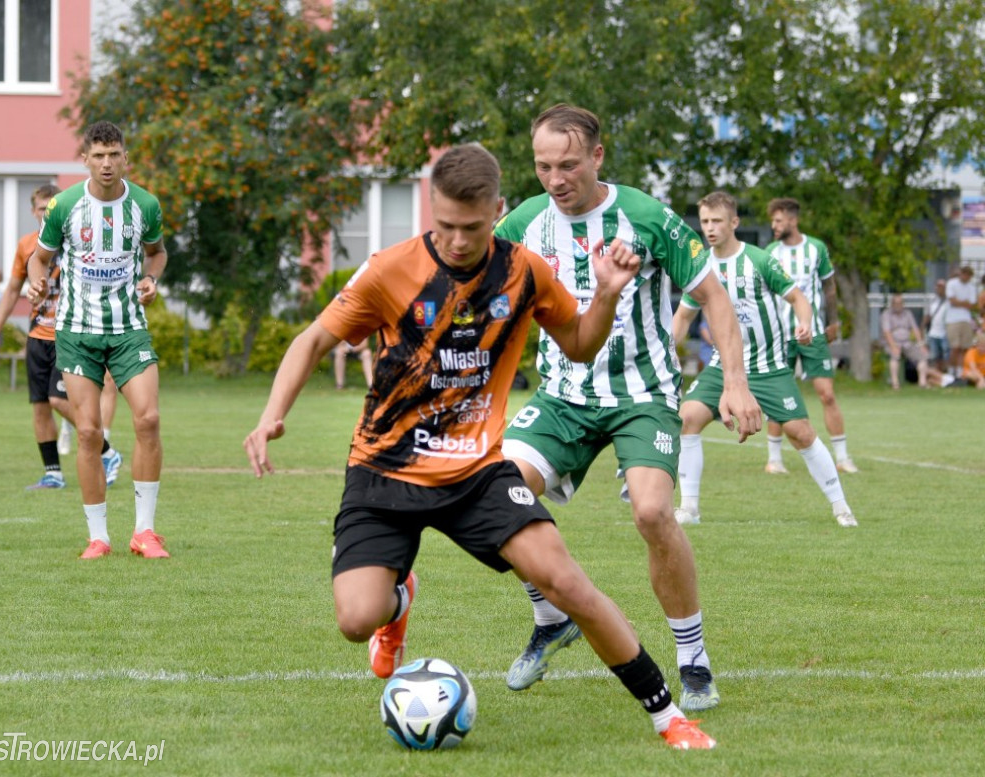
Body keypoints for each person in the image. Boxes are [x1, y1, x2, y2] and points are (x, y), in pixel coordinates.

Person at [243, 143, 717, 750]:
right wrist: (270, 417)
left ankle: (667, 716)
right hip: (385, 472)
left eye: (471, 227)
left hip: (475, 475)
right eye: (444, 226)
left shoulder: (522, 270)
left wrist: (606, 295)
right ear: (430, 211)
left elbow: (577, 345)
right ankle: (398, 599)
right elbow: (312, 340)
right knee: (355, 620)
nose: (458, 241)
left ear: (496, 210)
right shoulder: (391, 270)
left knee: (567, 582)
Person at [494, 104, 761, 711]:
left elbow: (713, 298)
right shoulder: (524, 224)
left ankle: (692, 661)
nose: (555, 179)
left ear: (597, 156)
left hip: (642, 396)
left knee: (651, 514)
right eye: (542, 166)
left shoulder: (643, 216)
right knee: (497, 497)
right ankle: (550, 619)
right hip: (562, 396)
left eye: (567, 165)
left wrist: (735, 383)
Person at [673, 191, 857, 529]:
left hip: (769, 367)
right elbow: (684, 318)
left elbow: (798, 297)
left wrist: (804, 321)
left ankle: (841, 506)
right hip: (723, 368)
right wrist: (667, 352)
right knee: (687, 419)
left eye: (717, 221)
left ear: (734, 223)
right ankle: (690, 508)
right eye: (705, 222)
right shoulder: (701, 267)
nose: (709, 228)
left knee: (800, 432)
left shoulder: (759, 260)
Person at [26, 121, 167, 560]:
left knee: (147, 420)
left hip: (128, 330)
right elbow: (40, 258)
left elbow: (156, 252)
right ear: (85, 159)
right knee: (87, 432)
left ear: (126, 158)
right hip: (77, 332)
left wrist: (150, 278)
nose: (107, 163)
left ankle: (144, 533)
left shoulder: (145, 204)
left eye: (114, 154)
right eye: (99, 155)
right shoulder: (65, 205)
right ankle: (98, 537)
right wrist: (36, 282)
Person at [0, 184, 123, 490]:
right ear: (33, 212)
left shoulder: (78, 241)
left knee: (59, 399)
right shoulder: (27, 246)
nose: (46, 214)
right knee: (40, 405)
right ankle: (53, 473)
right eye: (41, 209)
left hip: (69, 335)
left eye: (51, 208)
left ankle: (107, 452)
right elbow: (13, 290)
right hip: (37, 335)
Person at [762, 198, 857, 475]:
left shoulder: (816, 248)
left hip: (813, 333)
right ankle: (774, 459)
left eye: (778, 221)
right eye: (773, 221)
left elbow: (829, 287)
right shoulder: (770, 252)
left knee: (826, 394)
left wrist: (833, 321)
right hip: (781, 336)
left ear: (793, 220)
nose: (774, 226)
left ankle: (842, 456)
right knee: (778, 395)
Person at [880, 293, 929, 389]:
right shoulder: (886, 314)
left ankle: (922, 382)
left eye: (900, 303)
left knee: (923, 355)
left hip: (907, 342)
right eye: (896, 303)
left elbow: (915, 329)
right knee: (895, 356)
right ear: (892, 304)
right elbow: (887, 332)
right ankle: (895, 383)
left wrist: (921, 344)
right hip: (893, 342)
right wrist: (893, 346)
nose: (898, 305)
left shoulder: (908, 313)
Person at [944, 266, 979, 378]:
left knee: (964, 347)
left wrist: (961, 302)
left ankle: (960, 371)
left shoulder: (971, 287)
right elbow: (952, 301)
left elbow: (972, 304)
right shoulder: (951, 284)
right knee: (955, 347)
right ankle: (951, 370)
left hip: (966, 319)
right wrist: (964, 303)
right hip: (953, 319)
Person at [923, 279, 951, 373]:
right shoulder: (932, 301)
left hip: (945, 333)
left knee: (945, 356)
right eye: (938, 286)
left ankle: (945, 376)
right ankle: (936, 375)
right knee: (935, 357)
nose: (940, 289)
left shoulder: (949, 301)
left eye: (942, 287)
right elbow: (927, 316)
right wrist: (921, 329)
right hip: (933, 333)